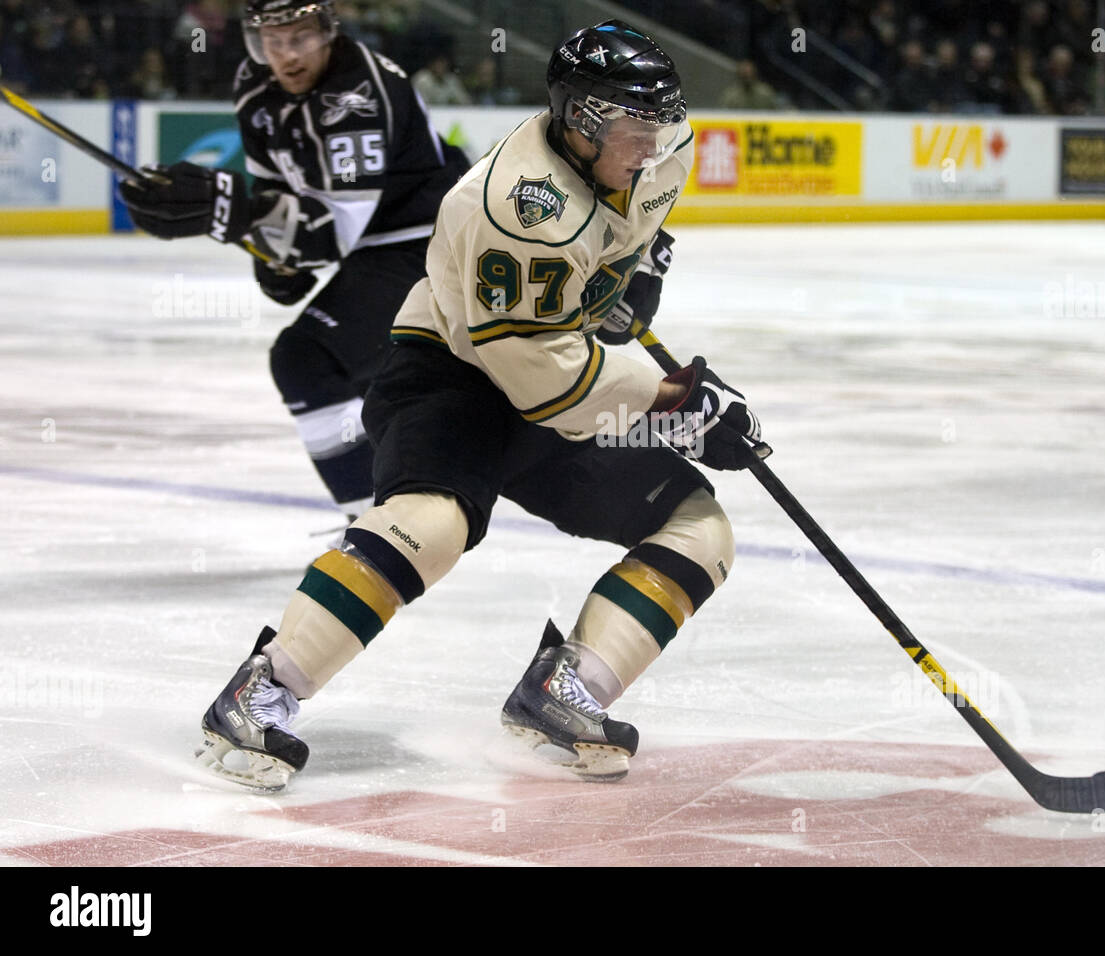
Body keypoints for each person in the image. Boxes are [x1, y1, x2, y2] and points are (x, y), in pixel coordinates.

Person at [193, 19, 763, 791]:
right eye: (636, 126)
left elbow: (648, 225)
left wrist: (636, 278)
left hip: (556, 371)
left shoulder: (659, 147)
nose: (655, 143)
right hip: (453, 374)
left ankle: (567, 690)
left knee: (699, 529)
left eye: (662, 121)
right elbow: (544, 382)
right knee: (433, 523)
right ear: (581, 123)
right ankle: (261, 690)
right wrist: (678, 403)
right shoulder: (520, 209)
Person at [120, 0, 468, 530]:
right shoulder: (254, 82)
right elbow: (280, 187)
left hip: (427, 238)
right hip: (377, 240)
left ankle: (383, 523)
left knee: (308, 360)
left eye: (300, 37)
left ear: (329, 31)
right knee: (353, 368)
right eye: (271, 41)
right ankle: (391, 507)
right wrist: (268, 246)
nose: (286, 54)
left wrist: (229, 212)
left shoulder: (355, 96)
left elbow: (331, 234)